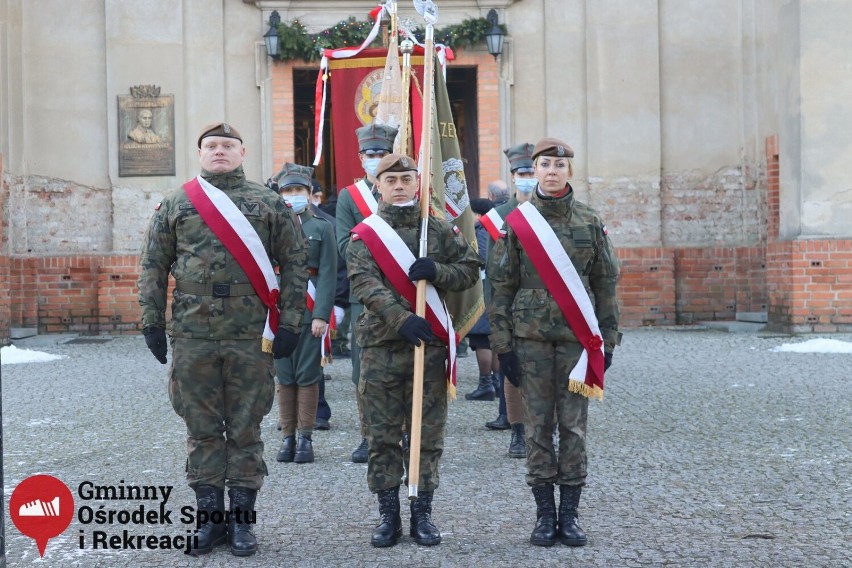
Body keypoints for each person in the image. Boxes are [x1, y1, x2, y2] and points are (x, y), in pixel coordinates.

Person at [137, 122, 309, 557]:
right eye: (211, 146)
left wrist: (291, 323)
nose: (219, 151)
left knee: (246, 428)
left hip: (250, 334)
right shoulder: (177, 203)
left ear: (242, 151)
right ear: (200, 153)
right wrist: (152, 322)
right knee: (202, 428)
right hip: (193, 333)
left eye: (227, 146)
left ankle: (243, 524)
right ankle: (210, 522)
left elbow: (294, 264)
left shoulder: (269, 202)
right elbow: (153, 265)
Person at [489, 137, 621, 548]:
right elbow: (500, 286)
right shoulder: (518, 223)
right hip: (529, 343)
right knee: (537, 428)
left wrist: (608, 340)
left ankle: (571, 516)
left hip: (577, 342)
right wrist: (503, 345)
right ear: (533, 171)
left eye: (558, 165)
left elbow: (605, 285)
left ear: (569, 171)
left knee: (574, 427)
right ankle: (544, 515)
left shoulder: (589, 221)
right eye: (543, 165)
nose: (551, 171)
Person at [347, 153, 480, 548]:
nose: (400, 185)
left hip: (429, 347)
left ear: (417, 183)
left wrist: (437, 272)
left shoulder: (437, 230)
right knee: (382, 435)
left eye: (407, 178)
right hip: (381, 347)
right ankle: (389, 516)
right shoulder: (364, 235)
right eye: (392, 180)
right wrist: (400, 318)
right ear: (378, 186)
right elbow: (363, 284)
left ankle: (423, 514)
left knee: (426, 435)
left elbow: (471, 269)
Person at [335, 122, 397, 463]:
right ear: (361, 158)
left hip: (404, 295)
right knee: (364, 372)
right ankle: (368, 435)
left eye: (382, 154)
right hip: (365, 299)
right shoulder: (349, 196)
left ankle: (402, 432)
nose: (376, 160)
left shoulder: (409, 191)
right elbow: (345, 244)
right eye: (370, 155)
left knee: (403, 369)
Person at [272, 163, 337, 464]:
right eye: (287, 190)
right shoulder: (272, 226)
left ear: (310, 194)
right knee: (285, 377)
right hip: (280, 312)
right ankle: (287, 437)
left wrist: (322, 314)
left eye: (298, 190)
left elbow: (327, 274)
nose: (293, 195)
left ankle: (305, 438)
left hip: (311, 312)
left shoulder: (323, 227)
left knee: (308, 375)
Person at [483, 143, 540, 459]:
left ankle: (545, 432)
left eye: (531, 172)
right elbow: (493, 270)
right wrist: (496, 313)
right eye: (522, 173)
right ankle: (517, 432)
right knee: (513, 373)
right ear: (513, 176)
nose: (527, 178)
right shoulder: (499, 217)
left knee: (548, 374)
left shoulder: (550, 211)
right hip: (513, 307)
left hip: (547, 308)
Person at [463, 197, 497, 402]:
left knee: (482, 340)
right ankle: (496, 383)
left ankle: (487, 384)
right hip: (489, 289)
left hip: (483, 290)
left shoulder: (482, 230)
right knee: (489, 339)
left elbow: (482, 257)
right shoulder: (492, 228)